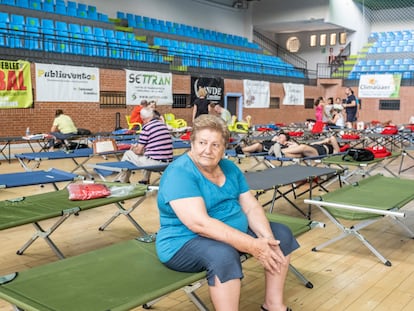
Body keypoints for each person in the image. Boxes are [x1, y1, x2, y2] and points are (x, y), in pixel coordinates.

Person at [156, 114, 298, 311]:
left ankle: (273, 305)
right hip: (183, 241)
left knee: (280, 235)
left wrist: (267, 241)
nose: (208, 150)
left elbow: (250, 206)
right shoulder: (180, 173)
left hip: (229, 233)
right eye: (202, 143)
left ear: (224, 148)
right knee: (223, 254)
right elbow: (200, 224)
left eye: (215, 145)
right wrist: (254, 245)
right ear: (192, 143)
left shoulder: (229, 167)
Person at [114, 107, 173, 184]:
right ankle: (145, 179)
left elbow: (138, 151)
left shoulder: (147, 128)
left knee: (128, 154)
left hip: (155, 163)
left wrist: (133, 148)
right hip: (168, 162)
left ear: (143, 119)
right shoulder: (163, 126)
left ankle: (123, 181)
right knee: (147, 154)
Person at [274, 136, 341, 158]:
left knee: (303, 147)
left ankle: (279, 151)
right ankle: (282, 155)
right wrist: (322, 141)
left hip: (319, 153)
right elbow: (312, 143)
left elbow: (332, 138)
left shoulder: (336, 150)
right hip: (312, 148)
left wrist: (325, 141)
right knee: (298, 154)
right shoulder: (322, 143)